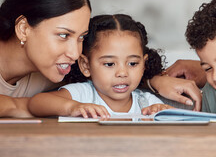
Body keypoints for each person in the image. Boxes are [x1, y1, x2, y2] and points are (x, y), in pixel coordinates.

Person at [28, 14, 173, 118]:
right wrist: (72, 107)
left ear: (144, 65)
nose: (122, 73)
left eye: (133, 63)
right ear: (86, 65)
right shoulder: (83, 94)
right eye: (109, 64)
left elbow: (180, 122)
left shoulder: (147, 102)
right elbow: (36, 103)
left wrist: (164, 113)